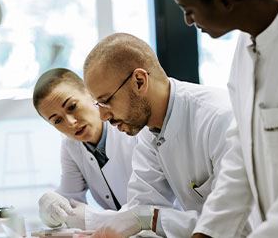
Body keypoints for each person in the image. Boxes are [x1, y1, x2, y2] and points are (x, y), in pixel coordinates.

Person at [168, 0, 278, 237]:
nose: (188, 21)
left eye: (189, 11)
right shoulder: (246, 43)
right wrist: (207, 232)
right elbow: (242, 152)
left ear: (223, 0)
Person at [83, 33, 242, 237]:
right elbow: (142, 208)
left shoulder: (219, 118)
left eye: (107, 101)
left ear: (139, 81)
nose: (103, 116)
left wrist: (151, 219)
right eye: (98, 104)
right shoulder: (150, 133)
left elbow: (234, 222)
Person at [32, 68, 137, 230]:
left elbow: (150, 213)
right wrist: (50, 206)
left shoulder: (132, 129)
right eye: (57, 120)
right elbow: (69, 201)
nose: (70, 122)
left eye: (72, 107)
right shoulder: (71, 146)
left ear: (90, 93)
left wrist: (93, 219)